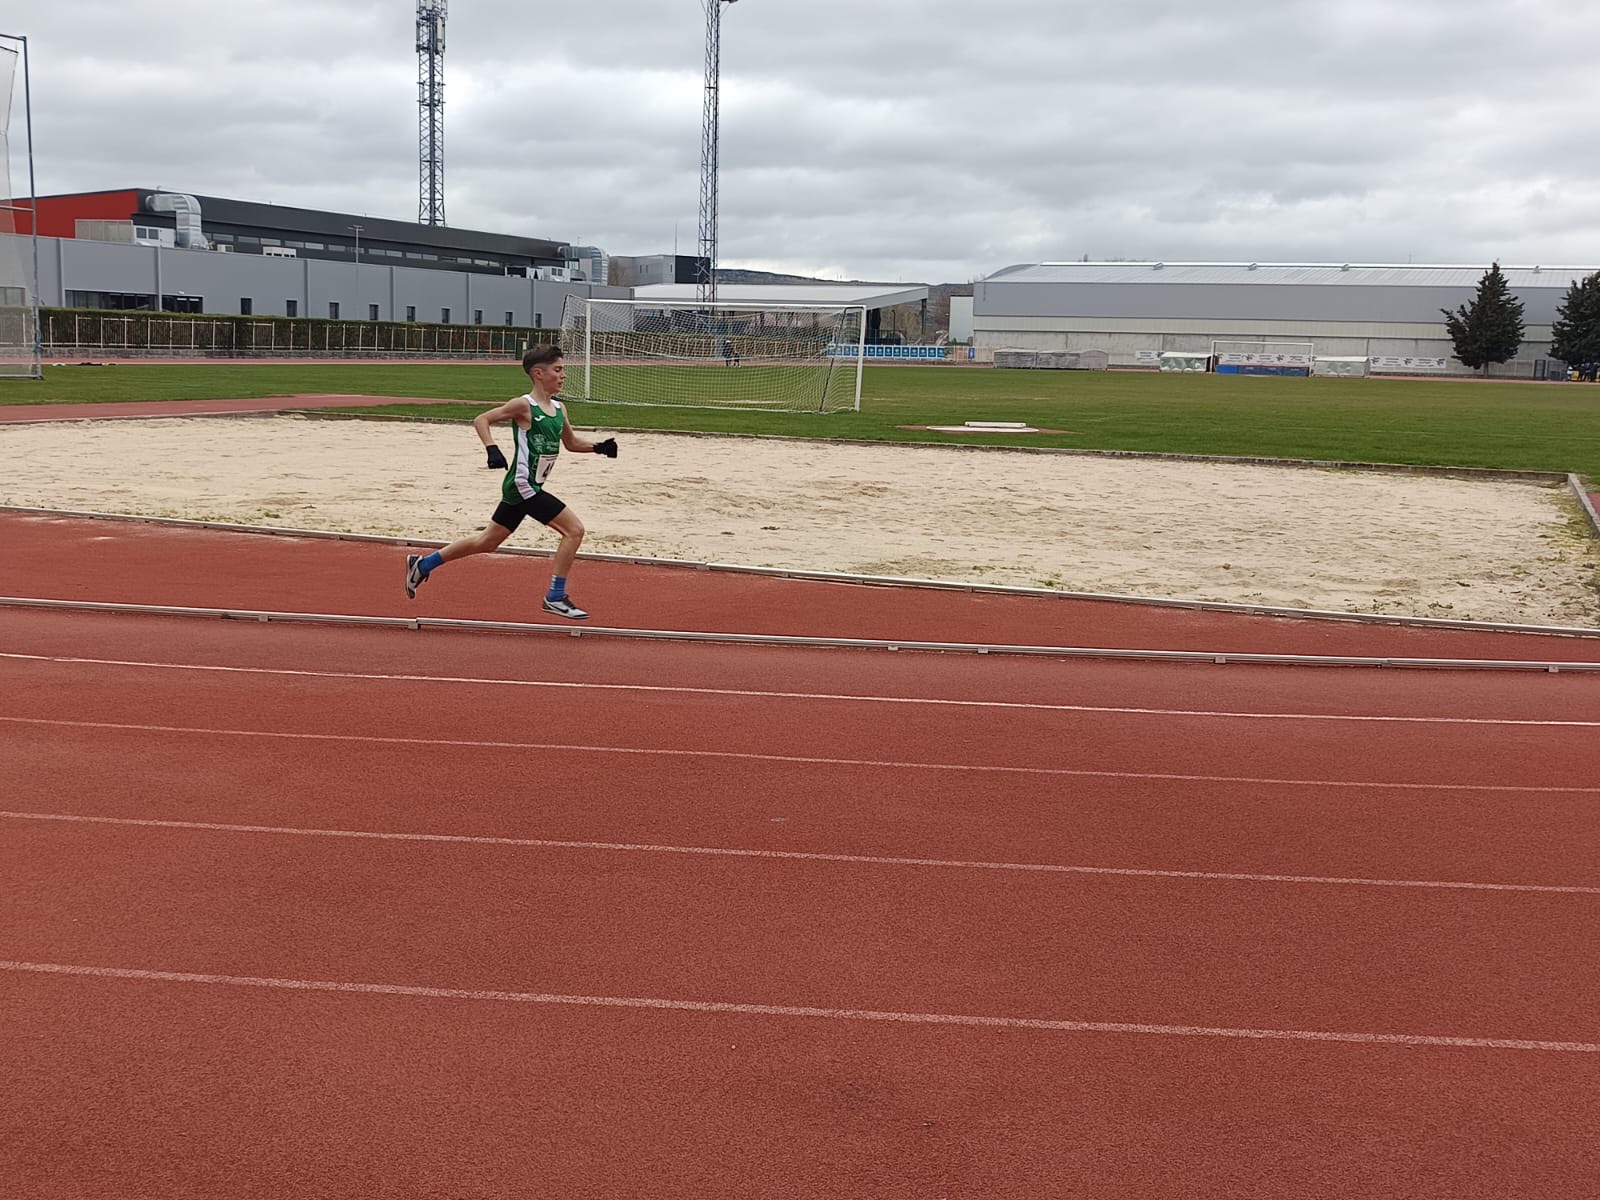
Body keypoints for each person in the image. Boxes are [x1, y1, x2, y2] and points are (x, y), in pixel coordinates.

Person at [404, 343, 617, 620]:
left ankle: (422, 565)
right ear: (538, 373)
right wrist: (492, 449)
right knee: (574, 531)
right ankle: (555, 597)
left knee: (487, 541)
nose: (563, 375)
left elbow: (571, 443)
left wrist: (599, 448)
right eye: (558, 370)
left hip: (530, 487)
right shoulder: (523, 405)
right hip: (522, 484)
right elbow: (482, 419)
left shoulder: (559, 408)